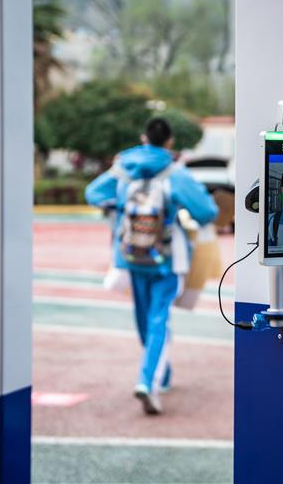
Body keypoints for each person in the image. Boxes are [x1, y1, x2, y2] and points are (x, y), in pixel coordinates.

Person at [85, 117, 218, 415]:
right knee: (159, 319)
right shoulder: (174, 173)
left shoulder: (123, 168)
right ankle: (148, 381)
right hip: (166, 258)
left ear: (143, 138)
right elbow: (207, 211)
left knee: (144, 317)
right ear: (169, 142)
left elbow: (92, 193)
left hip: (131, 255)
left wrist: (122, 209)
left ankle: (163, 373)